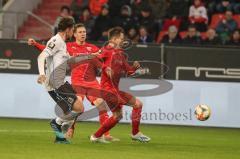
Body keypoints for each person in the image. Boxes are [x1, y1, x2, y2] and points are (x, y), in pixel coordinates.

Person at [29, 24, 118, 141]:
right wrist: (35, 44)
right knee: (77, 107)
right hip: (77, 83)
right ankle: (70, 129)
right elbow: (48, 51)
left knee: (102, 105)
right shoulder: (67, 46)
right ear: (75, 34)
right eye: (80, 32)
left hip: (91, 83)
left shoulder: (92, 48)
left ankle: (105, 135)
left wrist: (106, 66)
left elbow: (102, 59)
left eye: (84, 32)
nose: (83, 34)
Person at [90, 27, 151, 143]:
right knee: (137, 104)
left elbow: (128, 72)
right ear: (114, 39)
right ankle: (135, 133)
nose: (123, 41)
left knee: (117, 116)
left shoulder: (121, 55)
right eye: (121, 38)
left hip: (115, 90)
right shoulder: (106, 50)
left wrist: (134, 67)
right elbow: (94, 58)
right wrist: (105, 67)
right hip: (107, 90)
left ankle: (95, 136)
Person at [37, 17, 85, 144]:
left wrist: (90, 56)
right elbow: (41, 56)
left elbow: (70, 60)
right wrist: (42, 74)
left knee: (74, 109)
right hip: (54, 83)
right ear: (68, 29)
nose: (73, 33)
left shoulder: (63, 44)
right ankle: (56, 123)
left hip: (60, 82)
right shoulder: (55, 41)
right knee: (78, 108)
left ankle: (59, 137)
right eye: (72, 30)